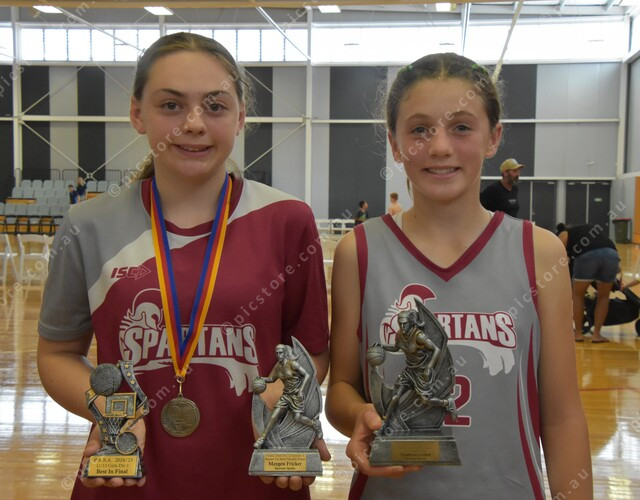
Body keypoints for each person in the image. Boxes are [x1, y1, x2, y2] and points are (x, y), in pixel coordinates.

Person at [37, 32, 329, 499]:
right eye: (171, 105)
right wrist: (111, 411)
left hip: (258, 477)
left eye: (215, 106)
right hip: (125, 477)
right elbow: (56, 355)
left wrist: (284, 403)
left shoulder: (287, 220)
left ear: (241, 117)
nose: (193, 124)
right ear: (138, 114)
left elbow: (311, 351)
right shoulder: (87, 224)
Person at [325, 53, 592, 499]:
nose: (440, 147)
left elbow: (562, 417)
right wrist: (360, 416)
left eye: (462, 127)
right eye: (419, 130)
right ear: (395, 144)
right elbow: (340, 389)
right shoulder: (359, 250)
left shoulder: (540, 252)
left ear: (494, 137)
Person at [557, 222, 620, 343]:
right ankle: (596, 335)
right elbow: (618, 269)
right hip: (611, 255)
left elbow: (558, 256)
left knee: (577, 296)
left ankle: (578, 334)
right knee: (603, 297)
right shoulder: (591, 230)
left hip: (587, 255)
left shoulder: (564, 233)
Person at [253, 344, 322, 449]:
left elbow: (307, 375)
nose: (278, 355)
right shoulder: (278, 366)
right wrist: (261, 379)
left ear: (285, 353)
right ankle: (262, 439)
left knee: (297, 418)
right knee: (274, 416)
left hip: (296, 396)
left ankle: (315, 423)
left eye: (280, 353)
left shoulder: (293, 364)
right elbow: (272, 379)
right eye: (277, 353)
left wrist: (301, 390)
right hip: (286, 395)